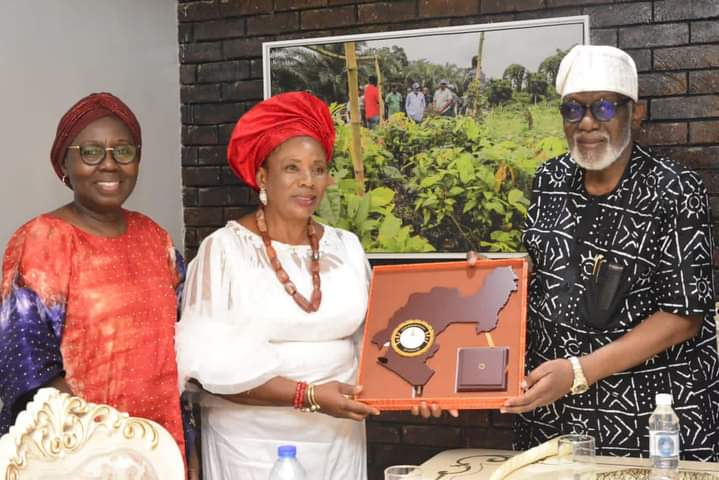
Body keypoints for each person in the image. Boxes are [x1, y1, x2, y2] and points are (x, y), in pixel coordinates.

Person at [502, 45, 718, 461]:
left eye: (603, 107)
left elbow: (683, 317)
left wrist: (578, 372)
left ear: (635, 112)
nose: (586, 123)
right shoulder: (549, 179)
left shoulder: (674, 189)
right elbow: (541, 272)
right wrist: (488, 284)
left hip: (648, 414)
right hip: (553, 410)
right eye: (573, 109)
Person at [175, 92, 381, 480]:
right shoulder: (224, 251)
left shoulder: (347, 247)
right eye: (291, 168)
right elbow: (208, 370)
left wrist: (422, 389)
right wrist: (309, 395)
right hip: (250, 447)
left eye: (318, 169)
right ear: (262, 177)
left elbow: (378, 342)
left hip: (338, 440)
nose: (307, 181)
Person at [0, 93, 191, 466]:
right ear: (65, 163)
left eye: (123, 151)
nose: (109, 164)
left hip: (162, 449)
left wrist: (186, 443)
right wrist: (103, 448)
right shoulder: (42, 240)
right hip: (78, 455)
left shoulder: (156, 239)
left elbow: (184, 348)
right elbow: (26, 367)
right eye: (90, 152)